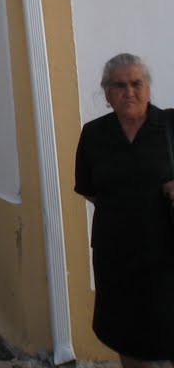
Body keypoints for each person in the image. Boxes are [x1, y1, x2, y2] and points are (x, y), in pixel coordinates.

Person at [74, 53, 174, 367]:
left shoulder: (170, 126)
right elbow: (89, 189)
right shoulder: (93, 135)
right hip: (116, 256)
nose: (128, 91)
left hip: (167, 255)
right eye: (119, 85)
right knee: (124, 330)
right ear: (106, 94)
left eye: (136, 83)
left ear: (148, 88)